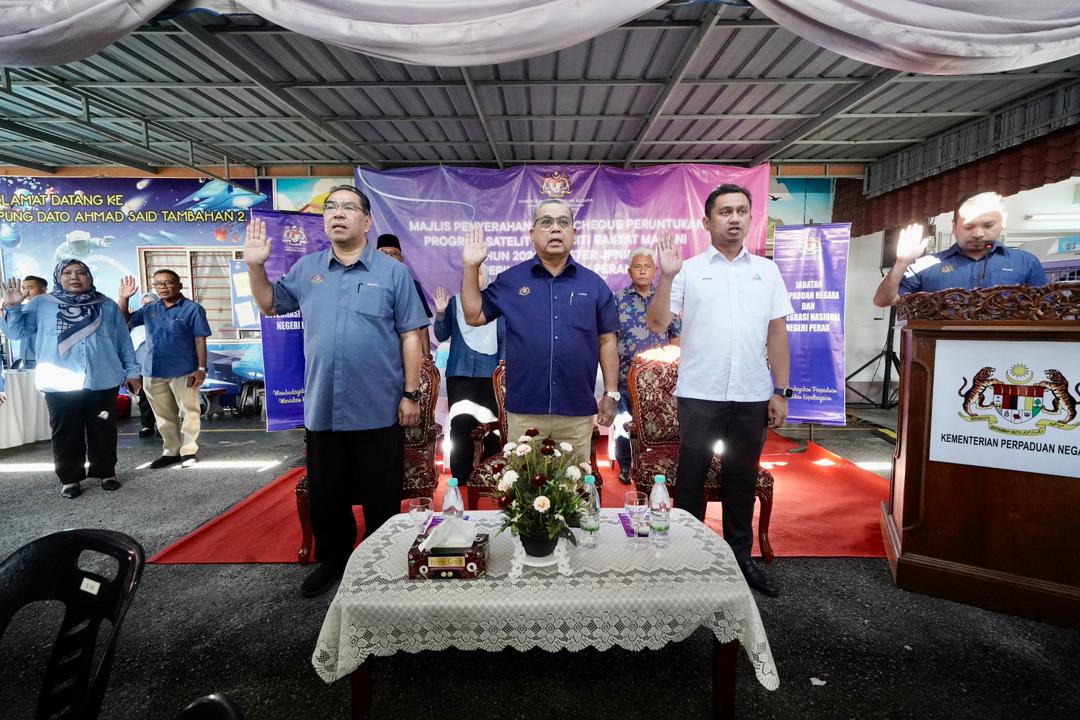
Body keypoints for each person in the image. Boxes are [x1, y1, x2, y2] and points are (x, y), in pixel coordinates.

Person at [244, 184, 427, 598]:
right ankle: (334, 561)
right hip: (323, 404)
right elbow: (271, 304)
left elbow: (410, 336)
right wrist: (255, 268)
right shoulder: (307, 269)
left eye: (348, 207)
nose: (337, 214)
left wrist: (411, 394)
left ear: (367, 220)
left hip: (378, 405)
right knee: (328, 493)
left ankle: (381, 561)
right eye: (330, 208)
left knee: (381, 493)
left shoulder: (393, 273)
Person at [646, 184, 793, 597]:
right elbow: (657, 323)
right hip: (700, 393)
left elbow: (777, 333)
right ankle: (685, 558)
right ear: (707, 221)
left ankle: (739, 559)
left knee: (741, 480)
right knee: (690, 479)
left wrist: (781, 390)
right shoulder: (688, 270)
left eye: (741, 211)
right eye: (725, 211)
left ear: (750, 219)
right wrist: (666, 277)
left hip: (752, 394)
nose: (734, 218)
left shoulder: (767, 271)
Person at [460, 199, 620, 457]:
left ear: (574, 233)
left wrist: (611, 394)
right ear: (532, 233)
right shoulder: (512, 280)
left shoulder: (594, 285)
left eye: (563, 222)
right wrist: (471, 267)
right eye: (546, 222)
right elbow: (474, 315)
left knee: (575, 482)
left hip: (576, 411)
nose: (555, 228)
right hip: (525, 411)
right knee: (523, 481)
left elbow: (607, 340)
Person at [1, 260, 141, 499]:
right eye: (67, 273)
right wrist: (13, 308)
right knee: (66, 432)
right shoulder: (41, 304)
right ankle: (70, 478)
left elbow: (123, 342)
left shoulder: (106, 304)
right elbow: (16, 333)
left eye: (81, 272)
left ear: (89, 277)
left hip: (102, 379)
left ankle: (106, 472)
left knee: (103, 429)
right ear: (58, 277)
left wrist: (133, 373)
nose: (74, 277)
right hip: (59, 382)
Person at [873, 191, 1048, 307]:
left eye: (988, 225)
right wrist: (902, 262)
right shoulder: (926, 265)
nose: (978, 234)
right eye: (968, 226)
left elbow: (1045, 308)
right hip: (941, 349)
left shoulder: (1026, 262)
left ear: (1003, 222)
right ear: (954, 226)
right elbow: (883, 301)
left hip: (1008, 350)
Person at [119, 272, 210, 467]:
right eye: (158, 284)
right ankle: (171, 451)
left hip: (184, 370)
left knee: (190, 412)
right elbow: (124, 321)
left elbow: (200, 339)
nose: (163, 287)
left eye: (168, 283)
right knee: (163, 415)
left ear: (179, 285)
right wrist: (124, 298)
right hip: (153, 370)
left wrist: (201, 369)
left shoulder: (193, 309)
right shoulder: (150, 309)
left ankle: (188, 451)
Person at [614, 247, 681, 484]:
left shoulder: (666, 298)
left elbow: (675, 336)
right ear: (629, 271)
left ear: (655, 270)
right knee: (623, 424)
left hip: (659, 382)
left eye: (647, 266)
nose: (642, 271)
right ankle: (624, 466)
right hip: (625, 377)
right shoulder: (617, 300)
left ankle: (653, 466)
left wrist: (674, 373)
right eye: (637, 267)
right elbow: (608, 339)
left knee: (655, 428)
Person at [432, 266, 505, 483]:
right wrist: (441, 313)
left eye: (480, 273)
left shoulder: (496, 304)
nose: (475, 277)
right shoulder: (455, 302)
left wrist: (502, 370)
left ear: (487, 276)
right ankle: (461, 476)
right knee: (460, 425)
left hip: (489, 373)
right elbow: (441, 335)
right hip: (460, 372)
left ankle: (489, 474)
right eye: (472, 273)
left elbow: (504, 338)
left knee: (491, 426)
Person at [377, 233, 434, 319]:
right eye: (384, 252)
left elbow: (422, 323)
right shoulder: (364, 281)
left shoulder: (412, 285)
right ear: (375, 257)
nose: (389, 256)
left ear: (401, 259)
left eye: (394, 253)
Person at [127, 292, 159, 438]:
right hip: (141, 364)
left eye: (150, 303)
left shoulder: (162, 319)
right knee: (144, 396)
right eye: (144, 304)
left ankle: (163, 426)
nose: (146, 306)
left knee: (163, 397)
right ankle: (147, 425)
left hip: (160, 364)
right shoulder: (136, 320)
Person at [11, 275, 47, 368]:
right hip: (25, 358)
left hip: (41, 358)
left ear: (44, 290)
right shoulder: (21, 308)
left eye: (30, 288)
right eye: (23, 288)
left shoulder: (49, 308)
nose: (26, 291)